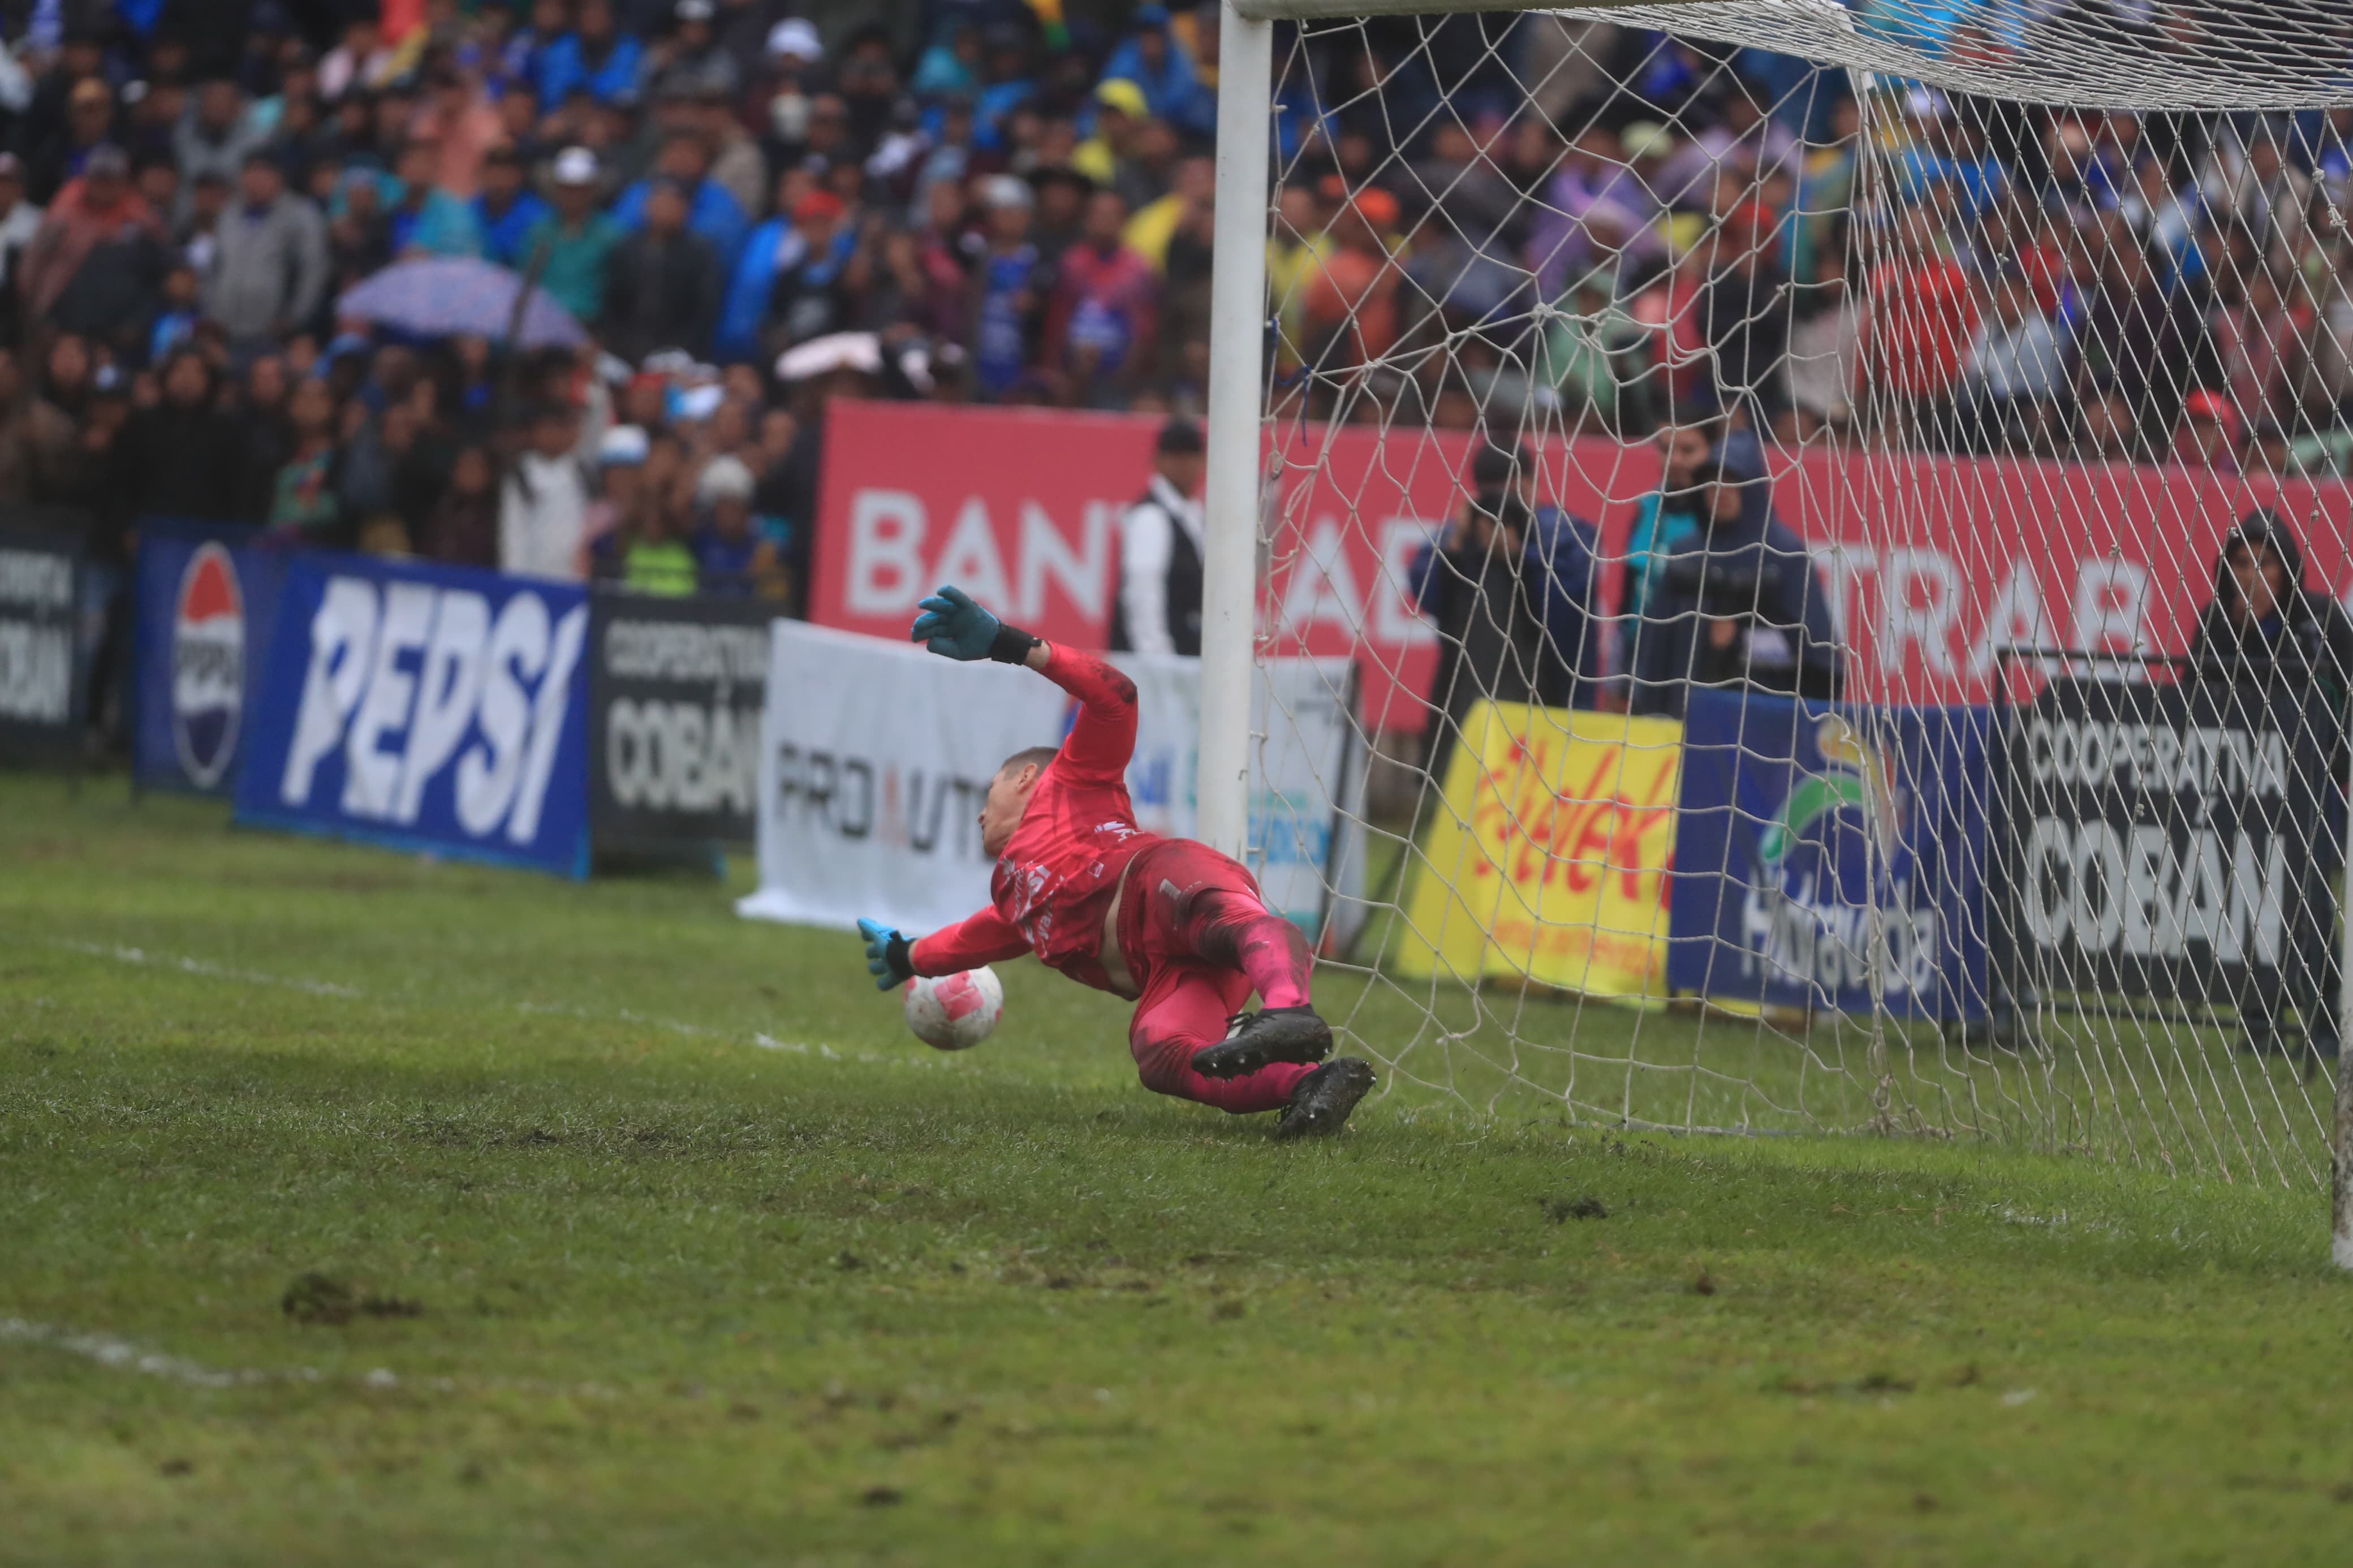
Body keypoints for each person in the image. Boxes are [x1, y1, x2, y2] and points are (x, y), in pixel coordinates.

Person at [854, 585, 1376, 1138]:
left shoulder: (1073, 778)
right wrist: (905, 954)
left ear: (1025, 777)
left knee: (1223, 919)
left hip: (1153, 880)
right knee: (1159, 1052)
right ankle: (1309, 1085)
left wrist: (1010, 644)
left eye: (988, 795)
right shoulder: (1016, 899)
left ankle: (1290, 1010)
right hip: (1171, 971)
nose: (979, 816)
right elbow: (968, 940)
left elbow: (1116, 696)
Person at [2186, 509, 2353, 1060]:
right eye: (2239, 563)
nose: (2252, 576)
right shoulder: (2214, 623)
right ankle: (2258, 1020)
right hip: (2240, 786)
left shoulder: (2320, 621)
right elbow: (2188, 703)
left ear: (2286, 569)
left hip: (2310, 787)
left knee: (2307, 903)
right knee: (2248, 898)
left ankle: (2323, 1021)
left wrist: (2338, 762)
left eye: (2264, 563)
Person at [1408, 440, 1602, 786]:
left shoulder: (1564, 533)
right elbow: (1426, 593)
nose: (1500, 505)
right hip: (1467, 695)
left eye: (1509, 491)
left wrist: (1519, 556)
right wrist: (1455, 544)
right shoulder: (1463, 537)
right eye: (1490, 493)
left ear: (1529, 484)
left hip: (1545, 696)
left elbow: (1573, 605)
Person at [1634, 432, 1842, 718]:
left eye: (1733, 483)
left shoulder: (1784, 554)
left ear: (1752, 489)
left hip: (1763, 717)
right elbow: (1657, 646)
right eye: (1713, 485)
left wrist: (1742, 641)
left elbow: (1817, 655)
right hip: (1684, 715)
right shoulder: (1686, 553)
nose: (1721, 493)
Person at [1110, 416, 1205, 656]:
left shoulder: (1194, 516)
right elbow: (1143, 597)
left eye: (1191, 455)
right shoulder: (1150, 517)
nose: (1184, 465)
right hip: (1162, 667)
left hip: (1188, 660)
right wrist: (1159, 663)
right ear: (1158, 460)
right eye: (1175, 456)